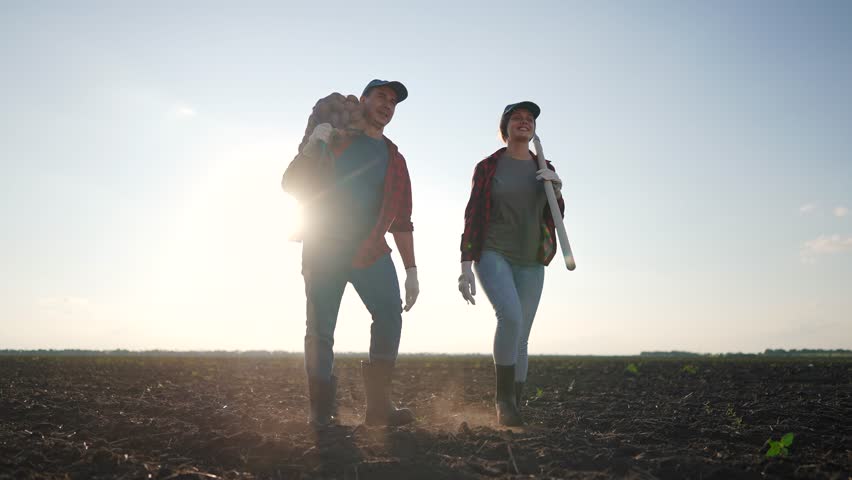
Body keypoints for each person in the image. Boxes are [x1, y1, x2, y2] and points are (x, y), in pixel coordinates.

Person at [281, 79, 419, 428]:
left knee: (389, 314)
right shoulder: (338, 139)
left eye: (393, 101)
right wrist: (314, 145)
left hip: (369, 250)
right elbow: (291, 184)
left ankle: (378, 408)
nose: (387, 105)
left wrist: (412, 270)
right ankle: (322, 411)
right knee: (321, 329)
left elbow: (402, 221)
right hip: (323, 246)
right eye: (381, 97)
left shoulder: (394, 158)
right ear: (365, 100)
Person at [457, 101, 564, 426]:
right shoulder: (488, 166)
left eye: (529, 119)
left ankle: (515, 404)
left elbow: (556, 216)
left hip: (532, 258)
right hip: (493, 252)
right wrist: (465, 266)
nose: (524, 122)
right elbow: (473, 214)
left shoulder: (543, 166)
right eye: (517, 117)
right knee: (510, 317)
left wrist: (556, 188)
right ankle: (503, 402)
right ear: (505, 127)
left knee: (522, 336)